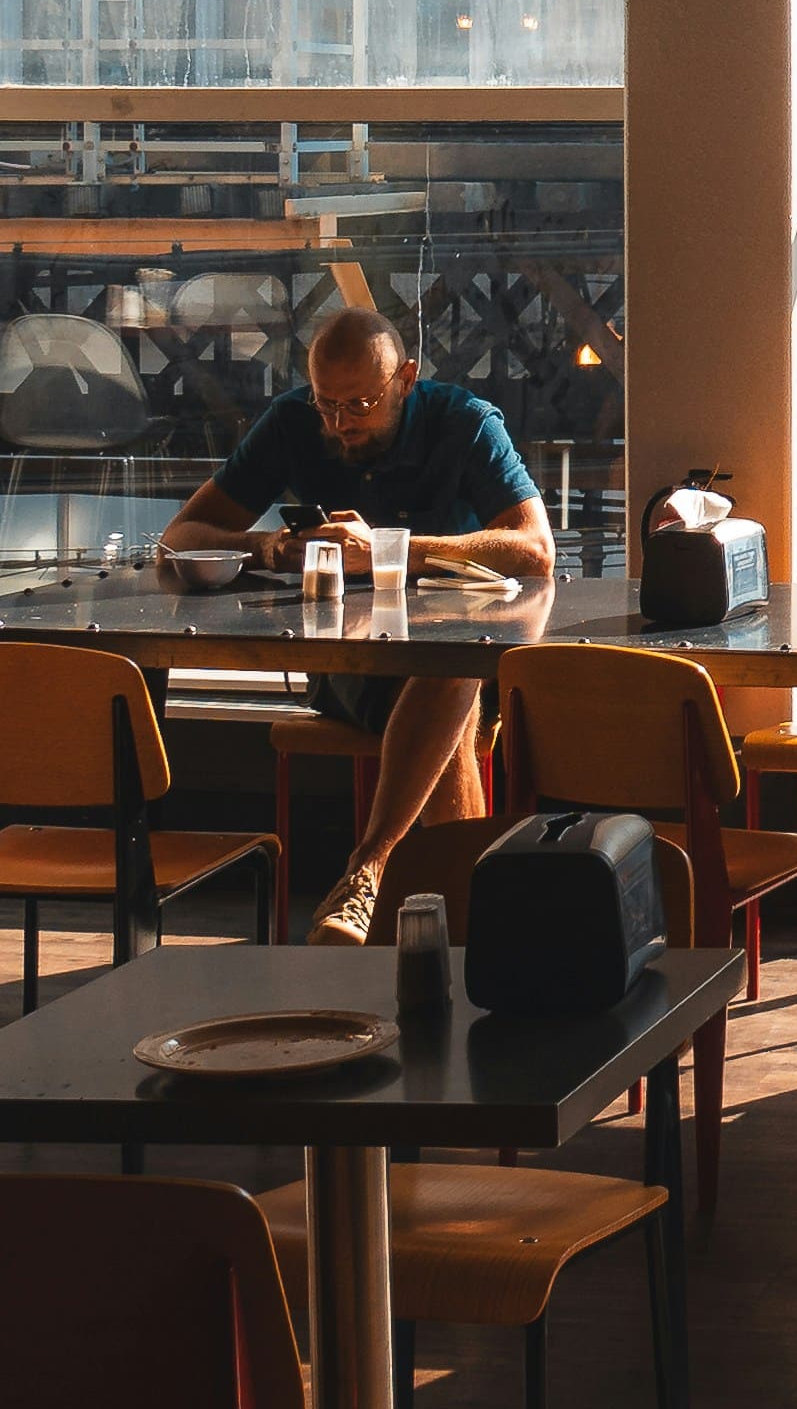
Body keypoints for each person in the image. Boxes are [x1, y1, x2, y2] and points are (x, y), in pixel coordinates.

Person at [165, 305, 556, 940]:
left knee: (447, 666)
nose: (341, 424)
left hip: (462, 659)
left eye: (361, 405)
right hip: (349, 665)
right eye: (328, 405)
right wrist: (271, 548)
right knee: (448, 681)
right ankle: (471, 924)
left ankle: (368, 870)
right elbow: (180, 536)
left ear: (406, 377)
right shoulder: (293, 423)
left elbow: (536, 549)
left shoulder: (463, 422)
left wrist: (388, 551)